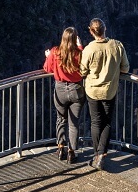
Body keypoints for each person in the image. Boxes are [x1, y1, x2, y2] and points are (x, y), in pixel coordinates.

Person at [80, 18, 129, 171]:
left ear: (91, 31)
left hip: (93, 91)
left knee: (95, 122)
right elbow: (125, 69)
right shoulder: (117, 45)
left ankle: (97, 155)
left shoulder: (89, 49)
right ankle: (102, 153)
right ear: (105, 29)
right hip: (109, 90)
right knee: (107, 122)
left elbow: (82, 71)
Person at [43, 27, 85, 164]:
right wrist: (80, 46)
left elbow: (47, 68)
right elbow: (84, 69)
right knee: (74, 124)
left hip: (60, 89)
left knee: (61, 119)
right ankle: (71, 153)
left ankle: (61, 148)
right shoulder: (80, 53)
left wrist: (48, 56)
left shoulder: (55, 52)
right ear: (75, 39)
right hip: (76, 89)